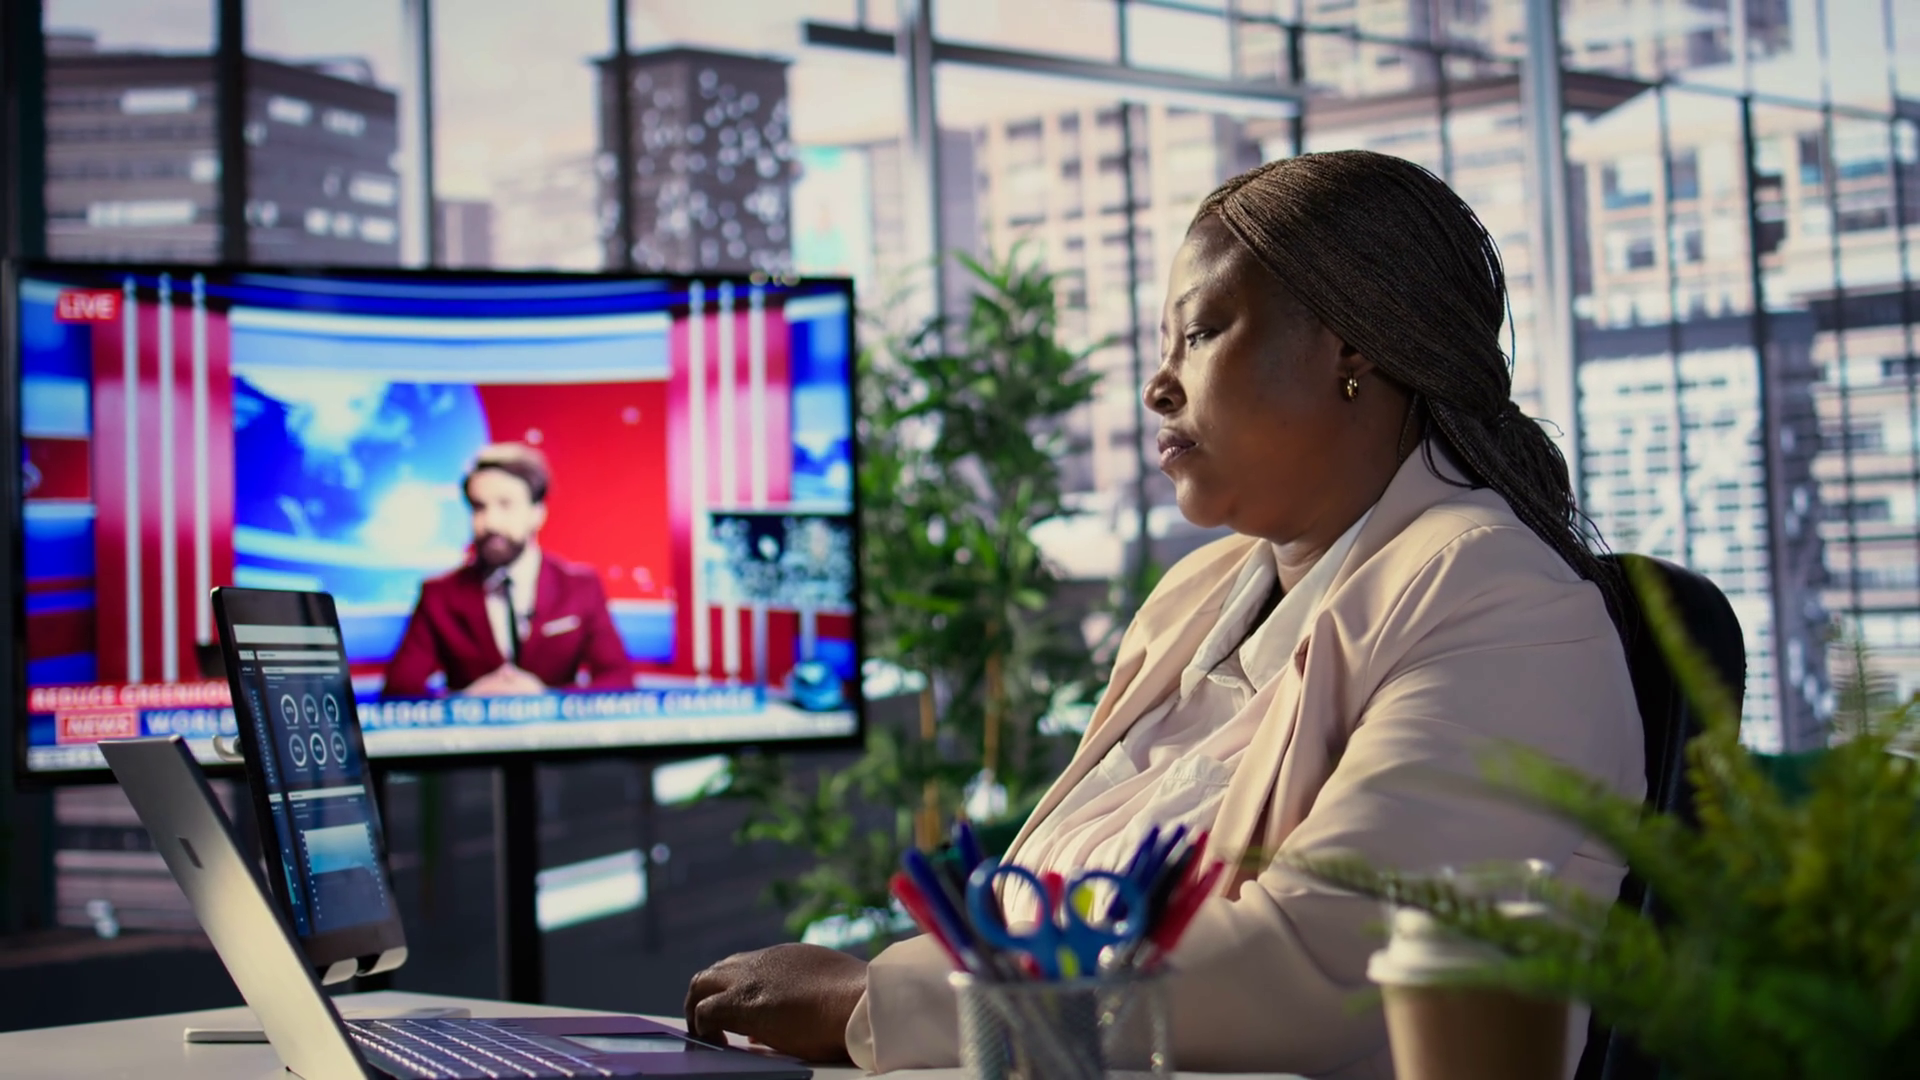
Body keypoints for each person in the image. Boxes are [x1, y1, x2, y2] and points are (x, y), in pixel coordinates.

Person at [682, 150, 1645, 1079]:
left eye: (1202, 333)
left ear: (1353, 346)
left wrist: (875, 1001)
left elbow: (1313, 965)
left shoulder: (1500, 605)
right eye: (1162, 346)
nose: (1157, 386)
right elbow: (1047, 922)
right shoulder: (1197, 594)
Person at [383, 442, 634, 698]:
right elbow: (398, 691)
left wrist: (546, 699)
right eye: (479, 507)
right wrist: (468, 701)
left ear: (537, 512)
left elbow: (618, 680)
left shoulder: (580, 588)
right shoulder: (439, 596)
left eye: (505, 504)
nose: (490, 522)